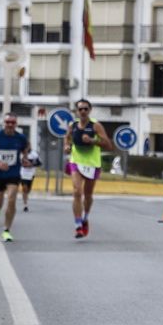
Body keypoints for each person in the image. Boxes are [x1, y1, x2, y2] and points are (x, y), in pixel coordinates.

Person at [64, 99, 113, 239]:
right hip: (76, 162)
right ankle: (78, 225)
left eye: (86, 109)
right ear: (77, 111)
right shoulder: (72, 125)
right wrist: (67, 147)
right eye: (80, 109)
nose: (83, 111)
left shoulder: (95, 126)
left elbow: (108, 145)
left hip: (92, 164)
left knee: (88, 195)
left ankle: (85, 217)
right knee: (76, 191)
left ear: (90, 110)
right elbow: (67, 139)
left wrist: (93, 141)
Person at [0, 113, 30, 242]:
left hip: (13, 174)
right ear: (4, 123)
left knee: (11, 199)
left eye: (12, 122)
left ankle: (6, 230)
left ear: (16, 124)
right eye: (8, 122)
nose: (10, 124)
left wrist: (25, 158)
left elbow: (25, 148)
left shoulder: (20, 138)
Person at [20, 146, 41, 211]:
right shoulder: (21, 153)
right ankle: (25, 205)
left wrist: (31, 164)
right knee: (24, 188)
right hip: (23, 174)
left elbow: (39, 163)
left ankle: (26, 197)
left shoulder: (34, 154)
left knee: (28, 190)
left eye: (28, 146)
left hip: (31, 174)